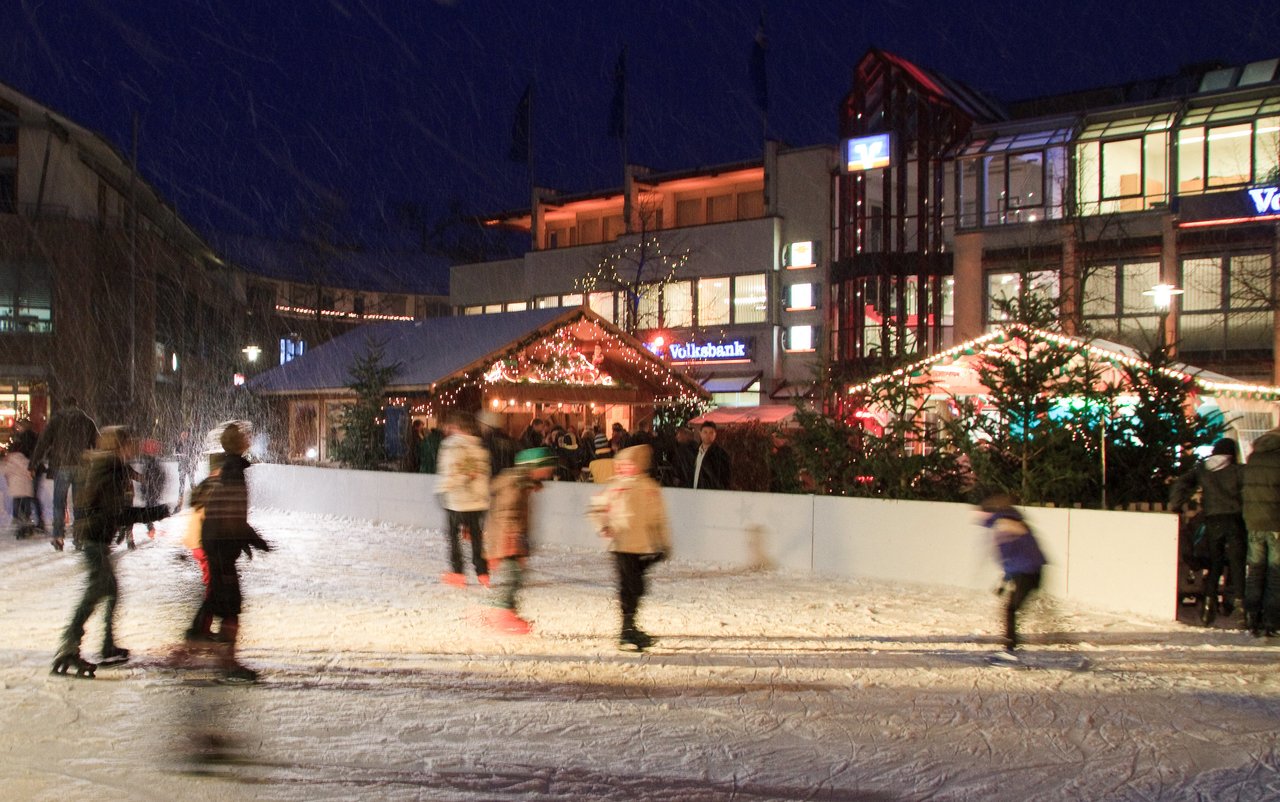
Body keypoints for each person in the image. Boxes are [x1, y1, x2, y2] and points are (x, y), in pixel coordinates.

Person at [51, 426, 170, 678]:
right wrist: (158, 512)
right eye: (129, 445)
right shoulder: (110, 468)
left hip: (94, 535)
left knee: (108, 590)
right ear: (120, 446)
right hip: (94, 537)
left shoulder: (105, 466)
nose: (133, 449)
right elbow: (117, 512)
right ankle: (69, 648)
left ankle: (105, 644)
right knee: (95, 593)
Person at [185, 423, 272, 682]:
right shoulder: (233, 470)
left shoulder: (228, 467)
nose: (249, 439)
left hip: (218, 543)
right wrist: (253, 539)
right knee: (231, 603)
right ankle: (227, 662)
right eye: (246, 437)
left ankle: (197, 634)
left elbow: (226, 511)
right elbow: (229, 513)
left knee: (220, 597)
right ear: (239, 443)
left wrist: (244, 539)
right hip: (220, 544)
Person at [589, 445, 672, 652]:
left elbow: (659, 518)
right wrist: (604, 526)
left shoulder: (650, 488)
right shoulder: (616, 486)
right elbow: (597, 508)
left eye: (629, 464)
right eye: (622, 464)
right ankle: (626, 630)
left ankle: (630, 626)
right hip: (621, 545)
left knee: (637, 587)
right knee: (628, 587)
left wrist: (663, 542)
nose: (624, 468)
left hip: (643, 546)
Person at [1169, 437, 1246, 626]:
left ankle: (1207, 607)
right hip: (1235, 519)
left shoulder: (1203, 469)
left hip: (1212, 520)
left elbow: (1182, 483)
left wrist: (1177, 505)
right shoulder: (1238, 470)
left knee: (1215, 563)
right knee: (1237, 563)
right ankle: (1240, 606)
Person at [481, 447, 558, 634]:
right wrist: (511, 539)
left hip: (513, 536)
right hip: (506, 536)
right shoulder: (514, 484)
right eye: (547, 468)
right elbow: (508, 512)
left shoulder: (523, 484)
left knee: (515, 575)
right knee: (512, 575)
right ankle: (501, 612)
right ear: (534, 467)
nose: (550, 472)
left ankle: (501, 610)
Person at [980, 493, 1047, 665]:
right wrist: (1006, 579)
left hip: (1027, 573)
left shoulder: (1003, 524)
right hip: (1032, 572)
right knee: (1012, 609)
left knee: (1010, 610)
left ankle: (1010, 650)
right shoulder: (1011, 520)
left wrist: (1006, 579)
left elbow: (1011, 555)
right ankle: (1011, 645)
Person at [30, 396, 99, 551]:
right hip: (81, 466)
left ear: (64, 405)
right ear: (76, 405)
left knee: (59, 503)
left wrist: (33, 463)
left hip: (62, 466)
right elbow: (98, 443)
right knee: (79, 504)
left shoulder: (56, 421)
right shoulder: (87, 421)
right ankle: (79, 537)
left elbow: (43, 442)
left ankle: (59, 537)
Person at [436, 411, 491, 587]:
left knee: (454, 537)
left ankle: (458, 572)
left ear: (455, 426)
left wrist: (442, 488)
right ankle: (482, 572)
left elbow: (450, 471)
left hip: (457, 501)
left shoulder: (451, 446)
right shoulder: (479, 446)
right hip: (477, 501)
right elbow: (483, 473)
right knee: (476, 537)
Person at [1242, 426, 1280, 638]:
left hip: (1253, 522)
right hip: (1276, 524)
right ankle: (1271, 620)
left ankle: (1251, 617)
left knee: (1255, 571)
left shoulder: (1253, 459)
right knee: (1275, 573)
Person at [2, 438, 39, 538]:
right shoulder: (25, 460)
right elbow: (30, 472)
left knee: (17, 510)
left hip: (15, 490)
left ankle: (20, 527)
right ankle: (26, 526)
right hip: (26, 490)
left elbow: (5, 472)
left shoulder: (9, 461)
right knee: (26, 510)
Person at [691, 421, 731, 490]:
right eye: (705, 432)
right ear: (700, 433)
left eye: (711, 433)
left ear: (715, 435)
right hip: (693, 492)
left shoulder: (720, 454)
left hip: (711, 493)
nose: (708, 435)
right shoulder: (694, 452)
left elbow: (725, 477)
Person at [478, 411, 516, 476]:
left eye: (481, 424)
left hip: (493, 478)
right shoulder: (509, 439)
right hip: (508, 476)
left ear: (487, 425)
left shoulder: (486, 440)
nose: (480, 427)